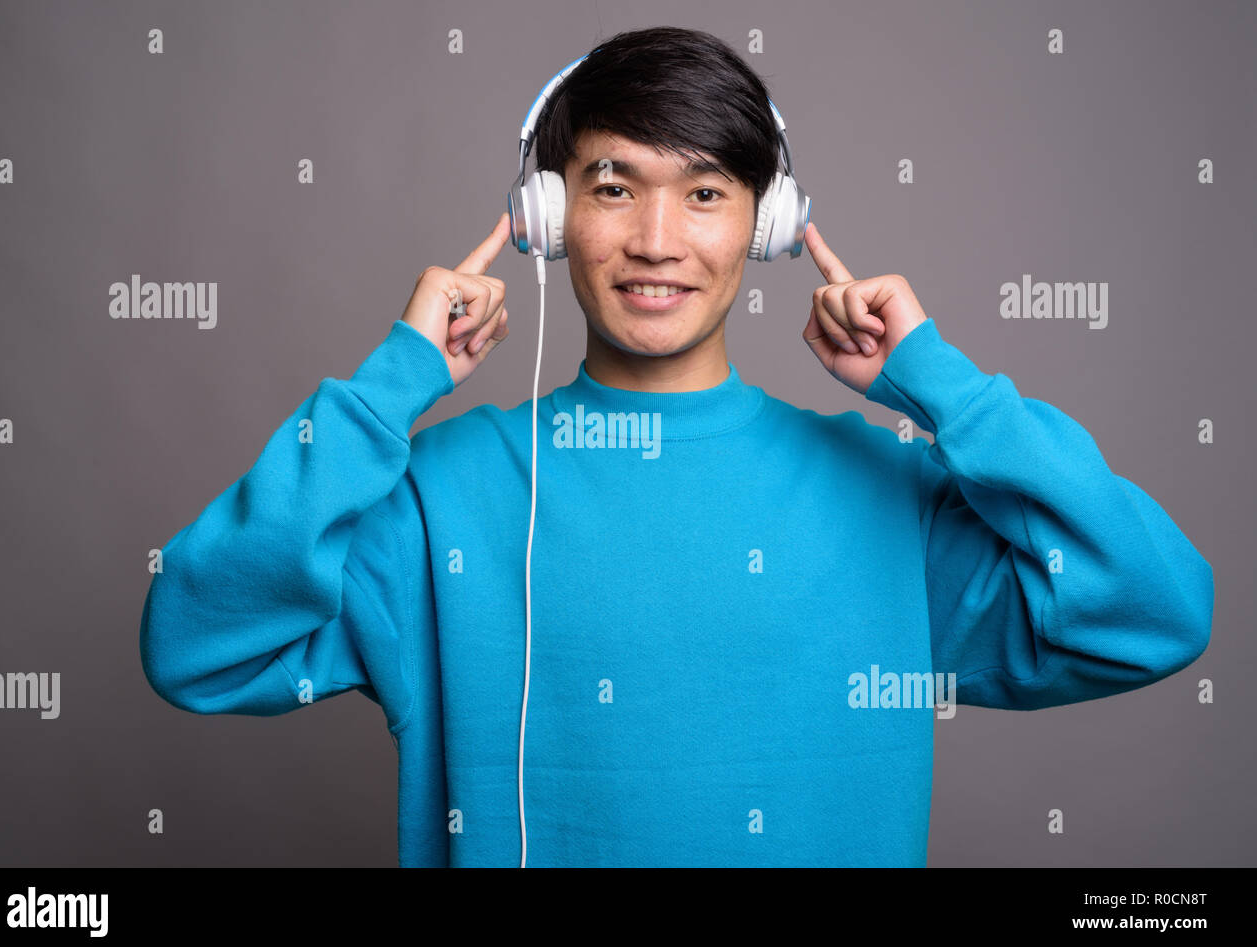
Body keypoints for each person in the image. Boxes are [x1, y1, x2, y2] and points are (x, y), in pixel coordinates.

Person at [139, 26, 1213, 867]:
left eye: (705, 193)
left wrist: (942, 387)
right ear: (546, 217)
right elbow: (194, 645)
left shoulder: (889, 495)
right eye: (613, 189)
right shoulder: (436, 502)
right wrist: (386, 389)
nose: (656, 242)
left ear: (769, 223)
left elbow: (1156, 610)